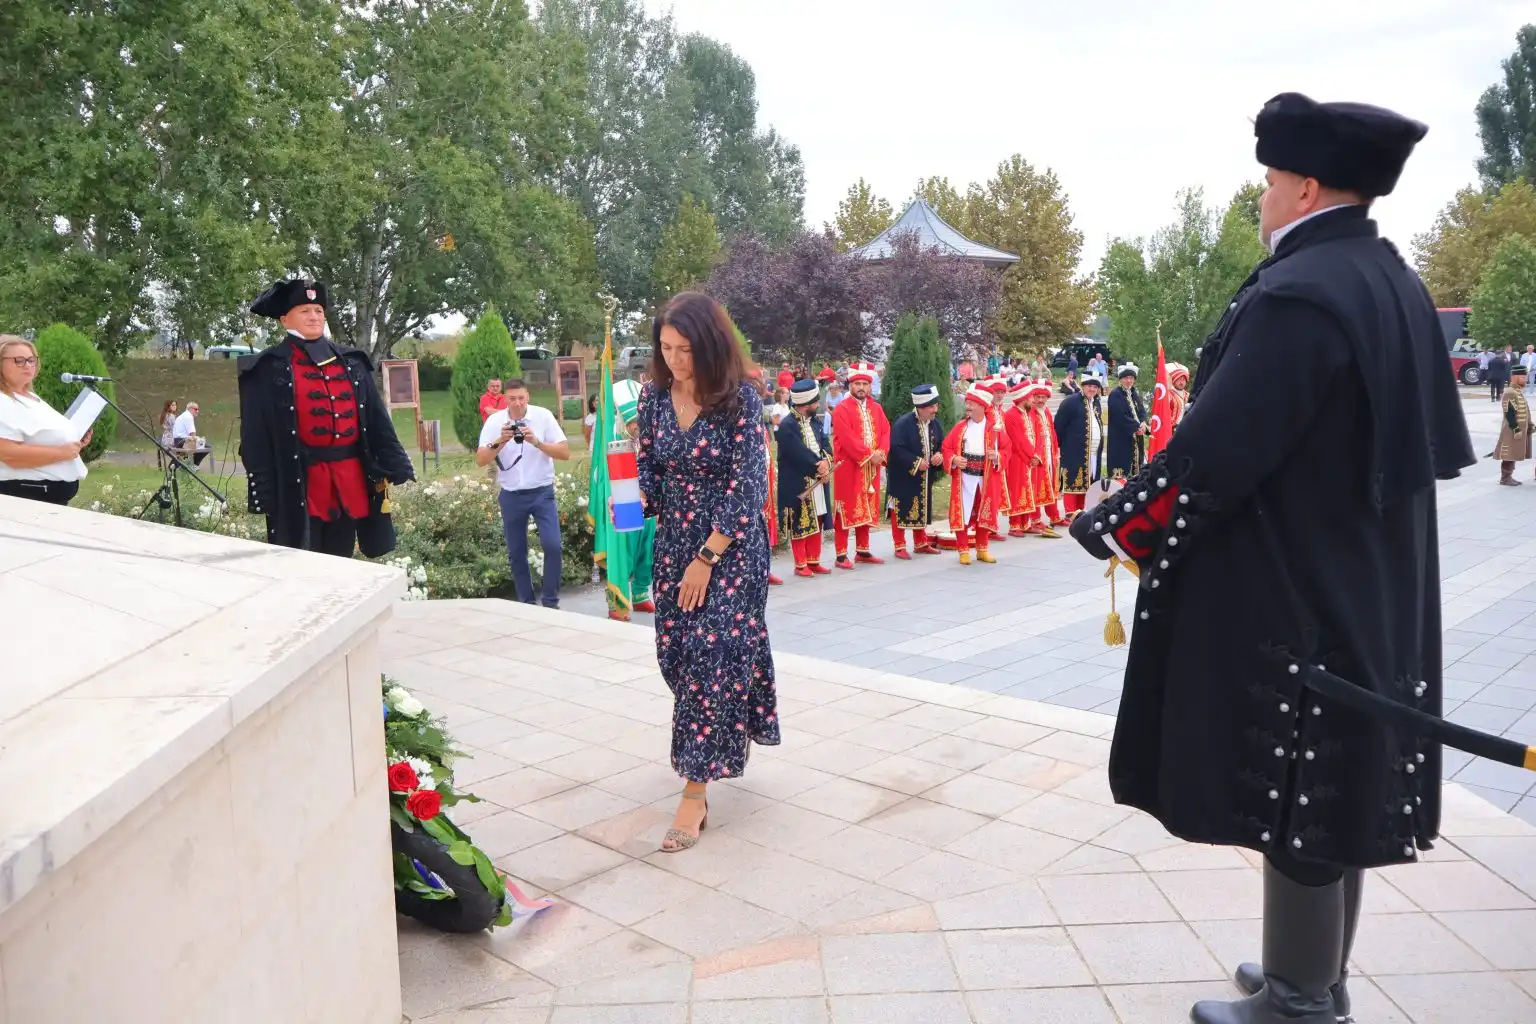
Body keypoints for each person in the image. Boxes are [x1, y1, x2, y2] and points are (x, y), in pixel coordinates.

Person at [1068, 91, 1473, 1024]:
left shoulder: (1302, 293)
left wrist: (1119, 527)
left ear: (1306, 187)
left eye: (1269, 179)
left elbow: (1217, 451)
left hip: (1302, 589)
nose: (1262, 196)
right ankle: (1316, 974)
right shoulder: (1388, 278)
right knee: (1336, 790)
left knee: (1303, 790)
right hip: (1365, 581)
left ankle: (1299, 1001)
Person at [636, 292, 778, 853]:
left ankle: (694, 793)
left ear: (710, 345)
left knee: (710, 658)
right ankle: (724, 719)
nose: (674, 360)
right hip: (674, 545)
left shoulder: (739, 401)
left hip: (729, 550)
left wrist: (707, 558)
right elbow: (649, 467)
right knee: (677, 656)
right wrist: (634, 495)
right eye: (666, 348)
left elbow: (748, 488)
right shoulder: (653, 397)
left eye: (685, 349)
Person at [240, 279, 415, 557]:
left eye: (318, 310)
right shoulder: (266, 368)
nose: (314, 317)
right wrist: (264, 492)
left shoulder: (352, 361)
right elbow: (255, 436)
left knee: (341, 559)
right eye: (305, 311)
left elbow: (376, 418)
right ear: (285, 320)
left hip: (350, 479)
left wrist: (396, 462)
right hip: (298, 482)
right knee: (300, 562)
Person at [477, 378, 571, 608]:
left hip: (541, 492)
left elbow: (564, 452)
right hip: (511, 494)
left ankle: (550, 601)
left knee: (553, 545)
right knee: (517, 552)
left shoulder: (543, 416)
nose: (517, 403)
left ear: (527, 396)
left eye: (521, 398)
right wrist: (500, 441)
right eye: (512, 399)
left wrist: (537, 442)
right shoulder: (495, 422)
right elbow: (481, 459)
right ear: (505, 399)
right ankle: (526, 603)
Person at [0, 335, 90, 505]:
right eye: (19, 360)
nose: (28, 365)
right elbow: (9, 454)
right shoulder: (2, 400)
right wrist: (63, 453)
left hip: (48, 496)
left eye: (31, 360)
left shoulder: (30, 396)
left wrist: (74, 441)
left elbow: (41, 435)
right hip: (26, 496)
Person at [603, 379, 655, 619]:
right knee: (622, 552)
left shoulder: (649, 436)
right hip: (622, 501)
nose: (638, 425)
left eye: (641, 419)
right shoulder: (612, 436)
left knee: (647, 549)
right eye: (634, 421)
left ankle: (641, 594)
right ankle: (616, 601)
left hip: (647, 500)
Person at [830, 361, 890, 568]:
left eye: (865, 384)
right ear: (850, 385)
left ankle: (863, 550)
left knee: (867, 506)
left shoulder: (877, 408)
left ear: (870, 386)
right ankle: (840, 555)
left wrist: (881, 452)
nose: (861, 388)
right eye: (858, 384)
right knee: (845, 508)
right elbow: (847, 437)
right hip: (849, 466)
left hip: (871, 467)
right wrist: (868, 455)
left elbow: (885, 431)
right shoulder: (841, 409)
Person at [942, 384, 1005, 564]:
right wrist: (954, 459)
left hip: (986, 478)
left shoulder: (994, 428)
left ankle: (982, 549)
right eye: (967, 403)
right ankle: (963, 550)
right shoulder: (961, 427)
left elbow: (1006, 448)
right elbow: (946, 447)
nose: (967, 406)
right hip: (965, 478)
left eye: (972, 403)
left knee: (985, 512)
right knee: (963, 512)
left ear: (983, 406)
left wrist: (997, 456)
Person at [777, 379, 833, 576]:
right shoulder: (787, 425)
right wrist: (818, 466)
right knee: (799, 522)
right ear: (806, 403)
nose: (818, 405)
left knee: (818, 518)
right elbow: (797, 452)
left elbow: (826, 445)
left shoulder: (816, 422)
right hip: (797, 482)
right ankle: (800, 564)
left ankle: (814, 560)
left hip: (818, 480)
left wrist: (826, 462)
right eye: (815, 402)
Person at [886, 383, 945, 558]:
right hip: (903, 476)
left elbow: (941, 444)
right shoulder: (903, 424)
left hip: (924, 477)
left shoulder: (935, 424)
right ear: (921, 407)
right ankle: (899, 546)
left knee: (921, 507)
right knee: (900, 508)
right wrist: (916, 462)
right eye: (932, 407)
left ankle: (921, 543)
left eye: (936, 405)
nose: (935, 410)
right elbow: (896, 448)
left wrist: (939, 455)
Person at [1054, 371, 1107, 517]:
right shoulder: (1070, 402)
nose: (1092, 389)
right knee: (1073, 481)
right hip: (1073, 451)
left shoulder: (1096, 403)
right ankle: (1070, 513)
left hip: (1093, 452)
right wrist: (1062, 448)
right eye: (1089, 386)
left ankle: (1082, 513)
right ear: (1083, 386)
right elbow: (1058, 426)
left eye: (1095, 387)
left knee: (1088, 482)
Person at [1020, 378, 1065, 536]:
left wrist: (1056, 450)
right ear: (1032, 397)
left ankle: (1054, 516)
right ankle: (1035, 519)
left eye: (1043, 397)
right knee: (1036, 486)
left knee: (1051, 485)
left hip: (1049, 454)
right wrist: (1034, 454)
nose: (1040, 400)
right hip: (1037, 456)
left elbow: (1052, 432)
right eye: (1037, 397)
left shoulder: (1046, 411)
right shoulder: (1030, 412)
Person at [1003, 377, 1037, 537]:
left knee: (1027, 490)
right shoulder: (1011, 415)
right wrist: (1031, 455)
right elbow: (1018, 439)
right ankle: (1014, 524)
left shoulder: (1027, 413)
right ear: (1023, 398)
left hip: (1027, 457)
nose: (1033, 400)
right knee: (1017, 490)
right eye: (1030, 397)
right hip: (1017, 458)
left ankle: (1025, 523)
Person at [1107, 364, 1148, 484]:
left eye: (1131, 378)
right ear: (1121, 379)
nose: (1129, 381)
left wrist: (1144, 423)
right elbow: (1119, 415)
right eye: (1126, 378)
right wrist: (1136, 427)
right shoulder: (1116, 394)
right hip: (1121, 438)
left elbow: (1142, 411)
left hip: (1136, 436)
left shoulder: (1133, 393)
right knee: (1121, 467)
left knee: (1137, 466)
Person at [1495, 362, 1531, 486]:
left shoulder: (1518, 392)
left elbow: (1525, 411)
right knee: (1509, 453)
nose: (1525, 379)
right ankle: (1505, 478)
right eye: (1523, 377)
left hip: (1518, 429)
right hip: (1511, 430)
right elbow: (1509, 413)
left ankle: (1508, 476)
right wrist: (1516, 428)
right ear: (1515, 377)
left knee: (1514, 452)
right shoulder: (1510, 392)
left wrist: (1530, 425)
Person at [1166, 362, 1191, 432]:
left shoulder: (1189, 395)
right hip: (1170, 430)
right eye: (1179, 379)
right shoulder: (1168, 394)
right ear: (1174, 380)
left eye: (1183, 380)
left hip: (1186, 430)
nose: (1181, 382)